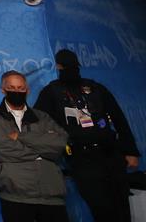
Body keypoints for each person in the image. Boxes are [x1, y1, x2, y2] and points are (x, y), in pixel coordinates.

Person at [34, 49, 140, 221]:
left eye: (73, 66)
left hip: (111, 154)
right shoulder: (51, 92)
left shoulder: (96, 88)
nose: (70, 70)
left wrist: (131, 151)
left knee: (121, 205)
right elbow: (38, 122)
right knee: (102, 208)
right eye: (67, 66)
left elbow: (119, 119)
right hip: (82, 159)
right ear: (59, 67)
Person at [0, 70, 69, 221]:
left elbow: (60, 143)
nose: (17, 92)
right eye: (12, 88)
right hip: (15, 196)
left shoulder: (42, 117)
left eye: (21, 88)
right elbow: (1, 148)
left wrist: (21, 137)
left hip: (52, 194)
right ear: (3, 90)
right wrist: (41, 151)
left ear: (27, 91)